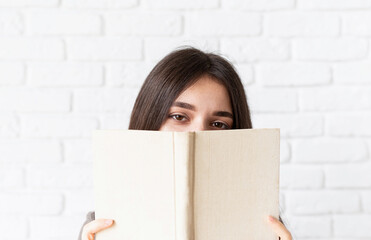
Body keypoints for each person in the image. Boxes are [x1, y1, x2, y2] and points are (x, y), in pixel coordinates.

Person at [78, 46, 292, 240]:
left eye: (218, 124)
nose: (198, 133)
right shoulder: (104, 224)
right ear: (150, 120)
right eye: (179, 117)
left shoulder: (263, 225)